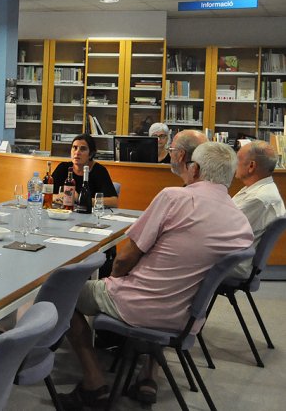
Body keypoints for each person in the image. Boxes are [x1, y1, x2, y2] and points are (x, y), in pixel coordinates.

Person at [60, 132, 254, 410]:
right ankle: (149, 373)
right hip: (185, 316)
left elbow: (123, 261)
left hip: (139, 305)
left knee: (64, 292)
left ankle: (93, 380)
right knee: (171, 283)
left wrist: (113, 282)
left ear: (194, 169)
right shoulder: (240, 223)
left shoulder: (173, 198)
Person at [227, 140, 285, 280]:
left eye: (238, 159)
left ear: (251, 166)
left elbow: (223, 229)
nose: (234, 163)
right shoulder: (256, 189)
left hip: (232, 263)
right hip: (233, 255)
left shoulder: (259, 199)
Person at [52, 133, 118, 208]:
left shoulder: (99, 171)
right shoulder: (63, 168)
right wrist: (58, 197)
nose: (77, 152)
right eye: (75, 148)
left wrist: (81, 198)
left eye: (82, 149)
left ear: (91, 154)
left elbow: (114, 202)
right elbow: (43, 193)